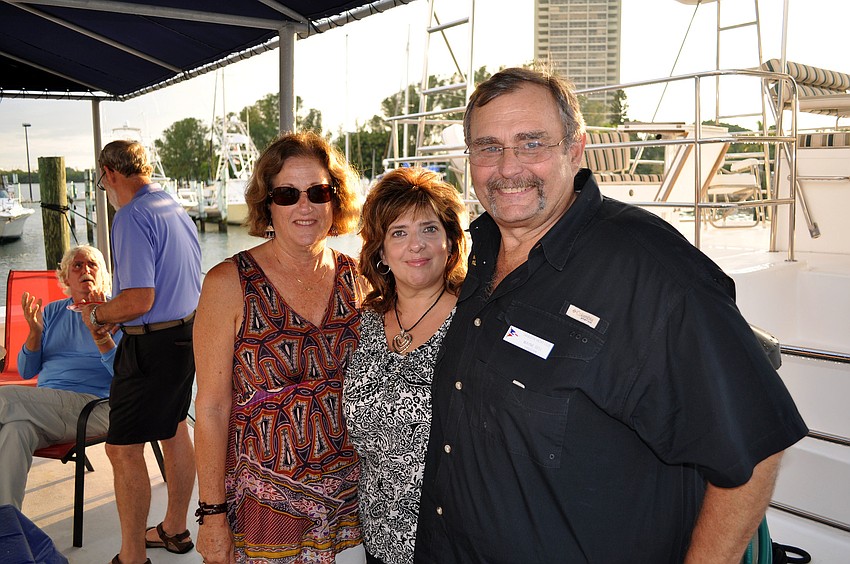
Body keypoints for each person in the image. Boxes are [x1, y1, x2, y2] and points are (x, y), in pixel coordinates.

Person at [414, 67, 809, 563]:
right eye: (488, 146)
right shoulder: (484, 251)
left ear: (575, 149)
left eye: (532, 143)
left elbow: (753, 450)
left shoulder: (654, 271)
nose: (508, 166)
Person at [194, 131, 364, 564]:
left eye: (318, 192)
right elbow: (211, 408)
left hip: (353, 505)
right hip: (265, 513)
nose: (304, 206)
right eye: (287, 194)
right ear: (267, 202)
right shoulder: (227, 284)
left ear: (335, 199)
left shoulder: (360, 279)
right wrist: (212, 514)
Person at [82, 140, 200, 564]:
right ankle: (175, 528)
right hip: (186, 337)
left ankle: (132, 557)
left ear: (110, 174)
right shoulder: (173, 206)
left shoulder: (130, 215)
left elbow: (138, 300)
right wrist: (119, 310)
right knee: (173, 430)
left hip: (151, 345)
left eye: (102, 181)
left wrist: (99, 314)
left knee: (122, 450)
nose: (105, 188)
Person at [344, 167, 467, 564]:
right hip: (379, 536)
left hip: (455, 541)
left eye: (429, 229)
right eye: (399, 232)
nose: (416, 245)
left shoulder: (475, 320)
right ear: (380, 251)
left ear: (450, 241)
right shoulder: (364, 323)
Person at [0, 245, 119, 509]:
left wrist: (100, 333)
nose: (85, 270)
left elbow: (124, 375)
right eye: (77, 265)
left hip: (94, 407)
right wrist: (34, 332)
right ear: (65, 278)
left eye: (92, 265)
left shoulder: (115, 313)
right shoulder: (53, 312)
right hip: (46, 408)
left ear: (103, 277)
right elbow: (26, 371)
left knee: (3, 398)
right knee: (15, 431)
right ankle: (8, 528)